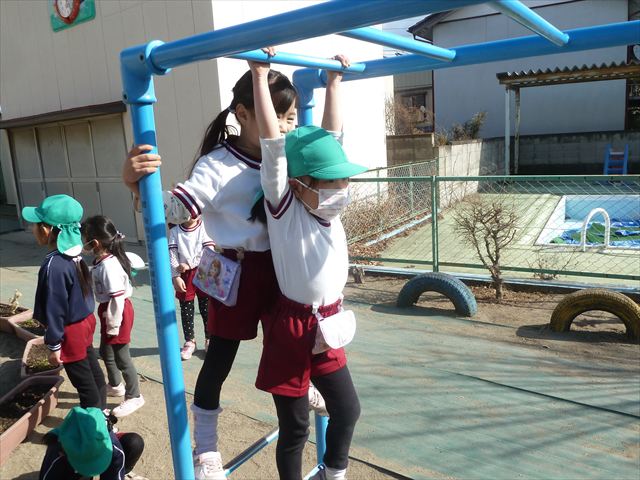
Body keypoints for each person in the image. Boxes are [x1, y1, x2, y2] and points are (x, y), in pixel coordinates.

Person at [122, 66, 299, 480]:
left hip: (282, 265)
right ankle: (205, 448)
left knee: (291, 340)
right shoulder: (218, 163)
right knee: (218, 358)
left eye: (289, 117)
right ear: (244, 113)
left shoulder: (286, 153)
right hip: (233, 267)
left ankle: (303, 396)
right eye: (275, 114)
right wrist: (135, 186)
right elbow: (177, 209)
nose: (283, 126)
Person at [250, 54, 363, 480]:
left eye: (344, 181)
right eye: (330, 182)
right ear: (298, 186)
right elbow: (273, 148)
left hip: (328, 323)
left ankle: (333, 472)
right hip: (292, 326)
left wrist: (334, 82)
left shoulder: (329, 211)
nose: (340, 190)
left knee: (347, 409)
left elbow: (330, 138)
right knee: (295, 428)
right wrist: (260, 76)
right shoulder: (285, 209)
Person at [22, 194, 106, 410]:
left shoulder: (54, 265)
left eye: (35, 224)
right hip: (85, 323)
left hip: (70, 330)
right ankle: (103, 414)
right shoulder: (74, 256)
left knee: (83, 384)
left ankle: (94, 425)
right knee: (93, 371)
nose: (32, 228)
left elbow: (55, 308)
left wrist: (54, 345)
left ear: (47, 229)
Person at [81, 215, 144, 418]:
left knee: (121, 356)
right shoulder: (101, 261)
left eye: (84, 238)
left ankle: (135, 396)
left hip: (117, 312)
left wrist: (114, 325)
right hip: (109, 310)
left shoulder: (109, 266)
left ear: (95, 243)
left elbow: (117, 299)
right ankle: (116, 385)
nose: (82, 242)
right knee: (106, 351)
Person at [39, 406, 147, 480]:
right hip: (70, 468)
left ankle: (123, 473)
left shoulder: (112, 446)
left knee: (134, 443)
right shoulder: (57, 450)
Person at [168, 214, 215, 360]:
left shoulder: (204, 227)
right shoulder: (175, 231)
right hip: (183, 275)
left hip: (204, 271)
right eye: (187, 209)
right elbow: (172, 254)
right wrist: (175, 276)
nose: (192, 213)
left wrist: (189, 264)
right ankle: (190, 341)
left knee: (206, 308)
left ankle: (209, 338)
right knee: (186, 308)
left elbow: (209, 252)